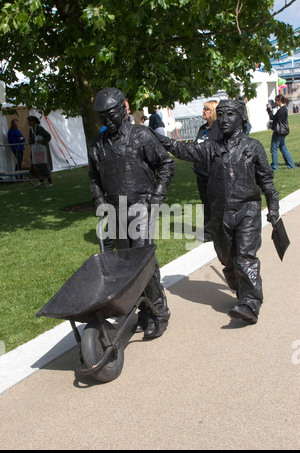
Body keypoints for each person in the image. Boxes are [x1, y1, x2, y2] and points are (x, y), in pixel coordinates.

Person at [155, 98, 279, 325]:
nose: (223, 120)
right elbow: (183, 149)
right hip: (220, 213)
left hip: (247, 211)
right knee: (228, 260)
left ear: (241, 118)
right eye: (220, 114)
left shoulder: (253, 148)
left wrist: (274, 209)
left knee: (245, 257)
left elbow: (267, 182)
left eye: (229, 114)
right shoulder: (211, 148)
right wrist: (157, 138)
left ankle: (251, 304)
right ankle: (241, 288)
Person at [89, 87, 175, 339]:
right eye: (102, 117)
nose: (107, 121)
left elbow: (166, 164)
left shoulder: (141, 135)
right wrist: (98, 198)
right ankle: (143, 310)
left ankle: (158, 312)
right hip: (115, 211)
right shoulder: (97, 145)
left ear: (123, 111)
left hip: (142, 206)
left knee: (142, 263)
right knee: (125, 264)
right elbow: (94, 176)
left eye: (111, 114)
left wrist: (158, 195)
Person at [194, 100, 223, 242]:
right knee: (205, 202)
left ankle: (218, 231)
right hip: (201, 173)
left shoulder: (219, 129)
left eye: (207, 109)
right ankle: (208, 232)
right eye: (204, 109)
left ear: (213, 111)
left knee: (215, 203)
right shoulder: (202, 128)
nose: (203, 111)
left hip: (213, 173)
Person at [266, 94, 296, 171]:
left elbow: (272, 118)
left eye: (276, 101)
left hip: (278, 131)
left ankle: (274, 166)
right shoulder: (285, 109)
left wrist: (269, 109)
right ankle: (291, 164)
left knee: (274, 149)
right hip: (283, 131)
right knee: (283, 148)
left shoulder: (280, 110)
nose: (275, 102)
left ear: (279, 101)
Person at [27, 115, 53, 187]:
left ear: (33, 121)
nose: (28, 123)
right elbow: (30, 139)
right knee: (34, 165)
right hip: (35, 149)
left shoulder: (39, 129)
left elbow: (48, 136)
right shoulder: (31, 130)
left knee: (44, 165)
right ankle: (41, 180)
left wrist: (42, 142)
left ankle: (50, 181)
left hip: (42, 150)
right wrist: (31, 141)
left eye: (29, 121)